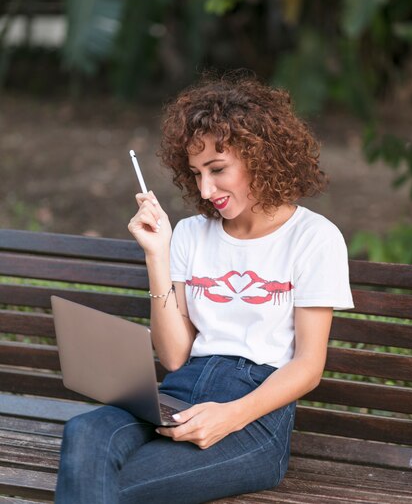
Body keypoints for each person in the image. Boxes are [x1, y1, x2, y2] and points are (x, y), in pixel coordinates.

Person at [55, 72, 354, 504]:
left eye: (217, 169)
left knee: (111, 484)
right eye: (196, 173)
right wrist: (157, 255)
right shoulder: (192, 234)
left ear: (262, 157)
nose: (205, 189)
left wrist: (230, 416)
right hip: (180, 392)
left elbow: (308, 365)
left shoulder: (314, 238)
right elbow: (176, 356)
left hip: (256, 415)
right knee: (85, 431)